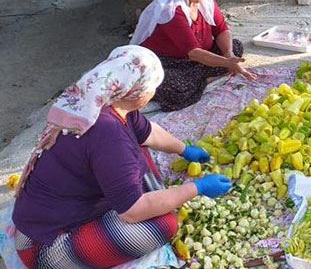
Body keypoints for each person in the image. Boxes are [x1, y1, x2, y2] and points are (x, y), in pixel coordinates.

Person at [12, 45, 232, 269]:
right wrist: (197, 188)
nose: (153, 92)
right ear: (137, 92)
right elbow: (132, 212)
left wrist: (184, 150)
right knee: (163, 224)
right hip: (43, 243)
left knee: (138, 152)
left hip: (56, 210)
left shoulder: (104, 103)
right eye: (152, 87)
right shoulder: (108, 134)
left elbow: (149, 133)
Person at [131, 0, 255, 111]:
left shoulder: (206, 0)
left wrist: (229, 55)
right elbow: (194, 53)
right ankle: (204, 78)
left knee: (235, 47)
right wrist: (226, 63)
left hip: (197, 60)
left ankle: (201, 77)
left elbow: (222, 29)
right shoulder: (171, 11)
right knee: (177, 86)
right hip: (169, 62)